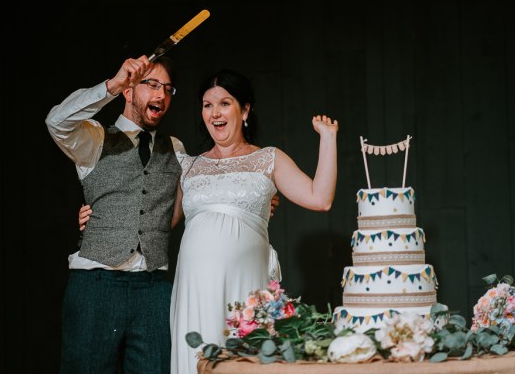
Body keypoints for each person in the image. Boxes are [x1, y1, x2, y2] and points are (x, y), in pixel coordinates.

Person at [168, 69, 338, 374]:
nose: (215, 112)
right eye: (207, 105)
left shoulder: (268, 159)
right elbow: (160, 222)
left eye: (225, 103)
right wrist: (97, 216)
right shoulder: (189, 165)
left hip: (244, 286)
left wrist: (328, 139)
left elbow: (320, 198)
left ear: (244, 110)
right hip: (194, 288)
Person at [45, 55, 184, 374]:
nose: (160, 95)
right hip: (96, 285)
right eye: (151, 84)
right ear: (129, 91)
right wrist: (111, 84)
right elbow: (56, 121)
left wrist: (263, 201)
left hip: (153, 290)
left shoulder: (175, 148)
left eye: (167, 88)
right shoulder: (94, 139)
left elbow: (194, 197)